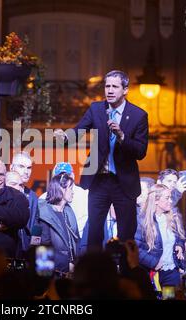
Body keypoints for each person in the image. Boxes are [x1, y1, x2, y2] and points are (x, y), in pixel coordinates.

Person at [54, 70, 148, 248]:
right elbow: (79, 131)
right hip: (99, 181)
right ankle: (94, 272)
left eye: (115, 86)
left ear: (125, 90)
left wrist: (122, 136)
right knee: (95, 232)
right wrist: (65, 138)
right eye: (107, 86)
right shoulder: (96, 109)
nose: (110, 90)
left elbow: (141, 151)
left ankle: (125, 274)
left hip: (124, 185)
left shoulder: (138, 116)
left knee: (126, 236)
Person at [134, 184, 185, 288]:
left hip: (171, 273)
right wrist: (154, 262)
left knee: (169, 297)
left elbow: (179, 238)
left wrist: (179, 245)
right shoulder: (142, 221)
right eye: (167, 198)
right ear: (156, 200)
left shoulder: (172, 219)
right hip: (152, 273)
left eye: (170, 197)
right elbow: (135, 249)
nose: (171, 201)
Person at [38, 173, 79, 275]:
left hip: (69, 274)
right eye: (70, 188)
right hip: (52, 275)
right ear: (61, 189)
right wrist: (67, 265)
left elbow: (76, 242)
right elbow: (43, 251)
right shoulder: (44, 214)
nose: (73, 192)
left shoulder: (69, 212)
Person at [39, 162, 89, 239]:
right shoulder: (43, 198)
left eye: (66, 176)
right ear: (54, 179)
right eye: (59, 176)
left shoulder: (84, 195)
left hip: (80, 242)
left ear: (72, 175)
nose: (63, 180)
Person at [10, 152, 40, 255]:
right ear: (11, 168)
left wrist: (33, 250)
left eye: (29, 168)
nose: (26, 172)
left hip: (26, 253)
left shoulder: (32, 196)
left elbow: (36, 226)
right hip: (6, 252)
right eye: (21, 166)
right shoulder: (1, 192)